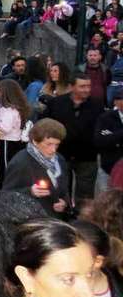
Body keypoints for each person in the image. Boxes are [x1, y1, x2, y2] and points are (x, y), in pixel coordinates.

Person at [42, 73, 104, 202]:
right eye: (82, 86)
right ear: (71, 87)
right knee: (61, 190)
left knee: (85, 195)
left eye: (88, 86)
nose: (86, 89)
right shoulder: (57, 103)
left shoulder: (97, 105)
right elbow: (44, 124)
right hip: (60, 154)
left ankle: (83, 219)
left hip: (87, 156)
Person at [3, 118, 71, 219]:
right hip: (32, 222)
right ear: (35, 141)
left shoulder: (59, 159)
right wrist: (30, 191)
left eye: (57, 144)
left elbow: (64, 188)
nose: (53, 150)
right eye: (49, 144)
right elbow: (5, 196)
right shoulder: (21, 162)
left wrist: (64, 203)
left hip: (56, 221)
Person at [0, 79, 31, 188]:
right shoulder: (13, 108)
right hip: (10, 142)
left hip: (7, 142)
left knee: (5, 172)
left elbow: (5, 128)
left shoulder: (10, 110)